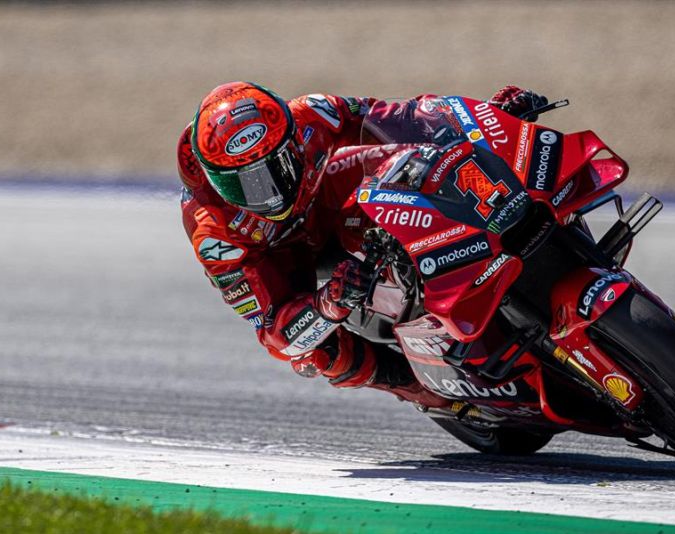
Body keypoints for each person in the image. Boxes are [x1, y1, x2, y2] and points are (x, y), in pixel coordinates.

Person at [176, 82, 546, 405]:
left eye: (277, 168)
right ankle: (415, 386)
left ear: (292, 141)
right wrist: (327, 305)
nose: (268, 194)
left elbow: (405, 117)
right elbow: (275, 334)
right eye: (245, 184)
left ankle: (466, 254)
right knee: (309, 353)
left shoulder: (312, 114)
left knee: (413, 161)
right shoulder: (213, 232)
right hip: (284, 256)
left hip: (323, 195)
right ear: (215, 180)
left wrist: (486, 119)